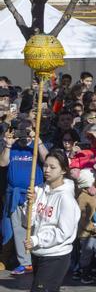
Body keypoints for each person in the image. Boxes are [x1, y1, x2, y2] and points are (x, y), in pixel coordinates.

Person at [25, 149, 81, 292]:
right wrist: (32, 204)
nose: (47, 170)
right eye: (45, 166)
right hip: (38, 253)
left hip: (56, 255)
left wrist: (37, 239)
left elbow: (64, 232)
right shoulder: (39, 189)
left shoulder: (66, 199)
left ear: (63, 170)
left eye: (52, 167)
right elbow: (27, 222)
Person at [1, 118, 49, 275]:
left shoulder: (36, 147)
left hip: (33, 193)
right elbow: (2, 163)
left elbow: (47, 159)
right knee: (18, 228)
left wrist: (37, 140)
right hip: (15, 194)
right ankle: (25, 262)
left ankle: (38, 259)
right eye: (21, 130)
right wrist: (8, 144)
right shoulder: (12, 147)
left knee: (35, 226)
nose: (24, 134)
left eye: (27, 130)